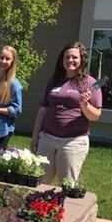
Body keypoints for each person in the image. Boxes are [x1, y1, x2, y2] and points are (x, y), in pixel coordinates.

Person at [31, 41, 102, 184]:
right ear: (62, 60)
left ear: (82, 60)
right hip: (47, 139)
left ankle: (65, 207)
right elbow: (43, 110)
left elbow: (95, 116)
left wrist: (85, 104)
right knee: (39, 182)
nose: (70, 60)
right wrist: (35, 137)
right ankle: (39, 206)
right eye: (67, 57)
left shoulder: (90, 83)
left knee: (67, 185)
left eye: (74, 57)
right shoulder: (54, 80)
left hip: (73, 142)